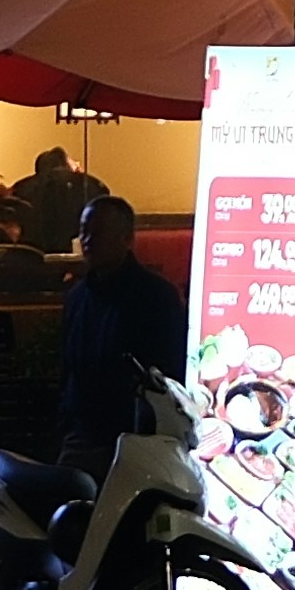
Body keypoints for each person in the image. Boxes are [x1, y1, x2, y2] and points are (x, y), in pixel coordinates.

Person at [51, 183, 187, 465]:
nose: (87, 240)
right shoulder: (77, 297)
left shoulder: (156, 297)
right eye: (84, 231)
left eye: (97, 233)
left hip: (137, 440)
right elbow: (67, 369)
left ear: (127, 239)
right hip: (81, 434)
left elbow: (169, 373)